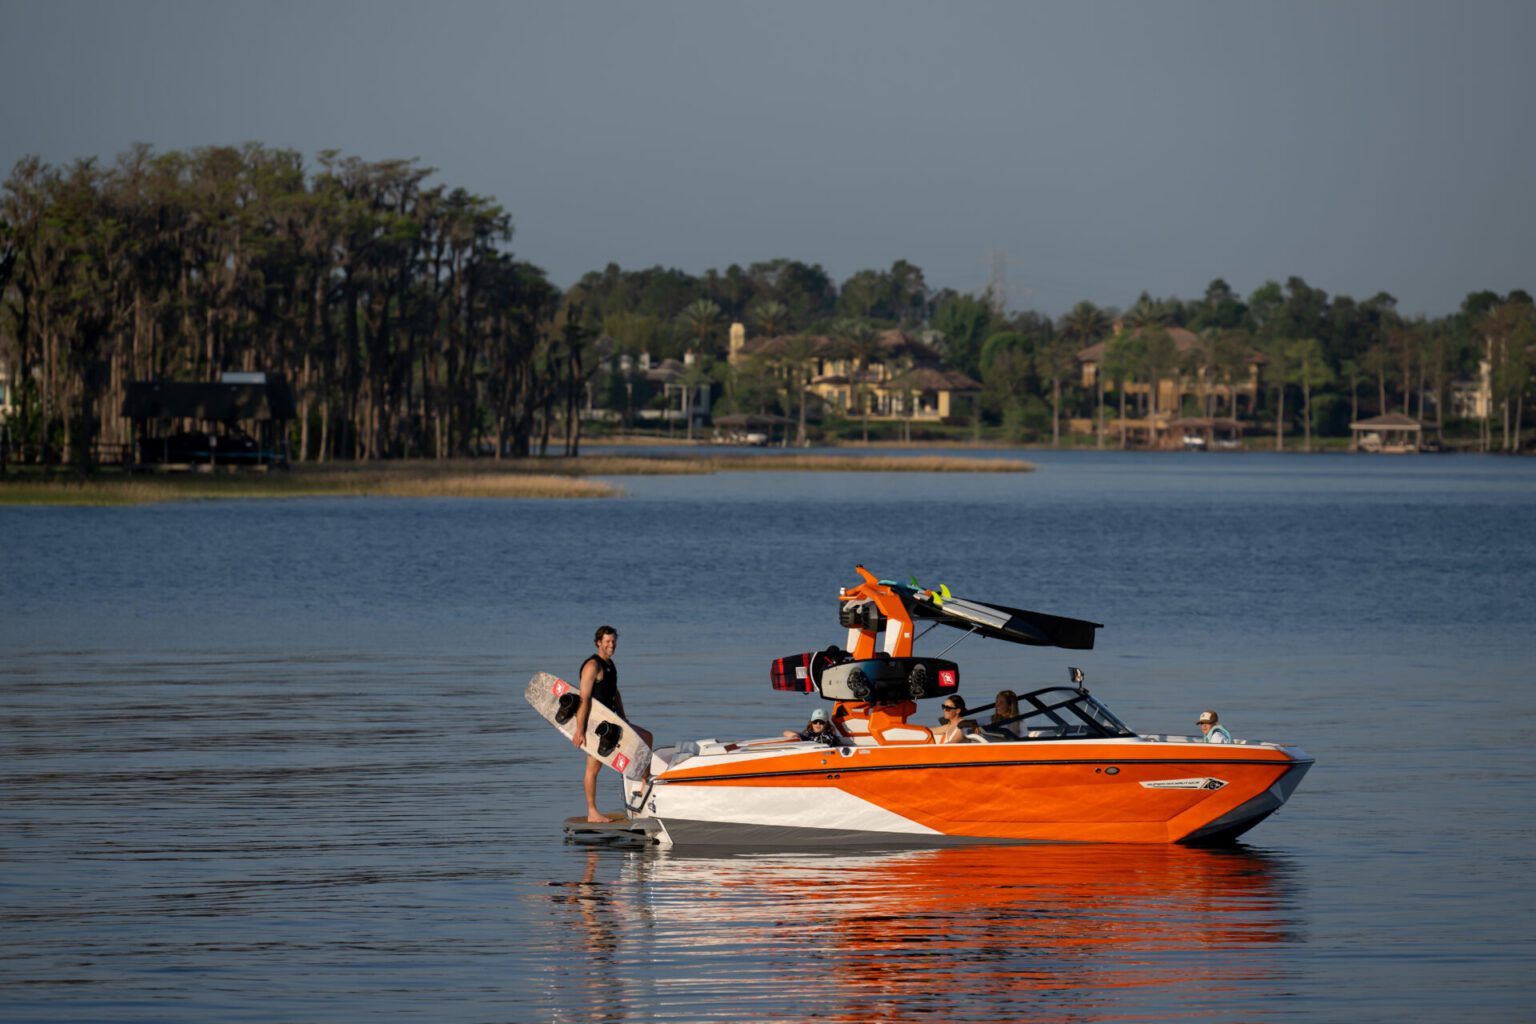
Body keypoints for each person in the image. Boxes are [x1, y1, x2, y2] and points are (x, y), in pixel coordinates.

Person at [573, 625, 653, 823]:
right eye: (607, 641)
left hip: (614, 723)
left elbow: (614, 693)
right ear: (598, 642)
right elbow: (584, 698)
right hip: (597, 726)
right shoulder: (593, 666)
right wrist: (580, 730)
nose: (612, 645)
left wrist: (624, 718)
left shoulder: (610, 665)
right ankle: (592, 811)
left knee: (646, 737)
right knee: (593, 768)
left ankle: (644, 784)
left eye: (614, 641)